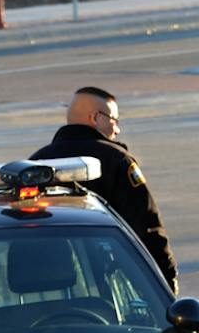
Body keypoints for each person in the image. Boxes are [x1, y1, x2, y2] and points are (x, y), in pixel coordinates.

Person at [33, 86, 175, 290]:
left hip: (49, 285)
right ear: (95, 118)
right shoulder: (117, 161)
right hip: (105, 284)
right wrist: (167, 280)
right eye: (114, 120)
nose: (117, 130)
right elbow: (146, 225)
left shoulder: (36, 164)